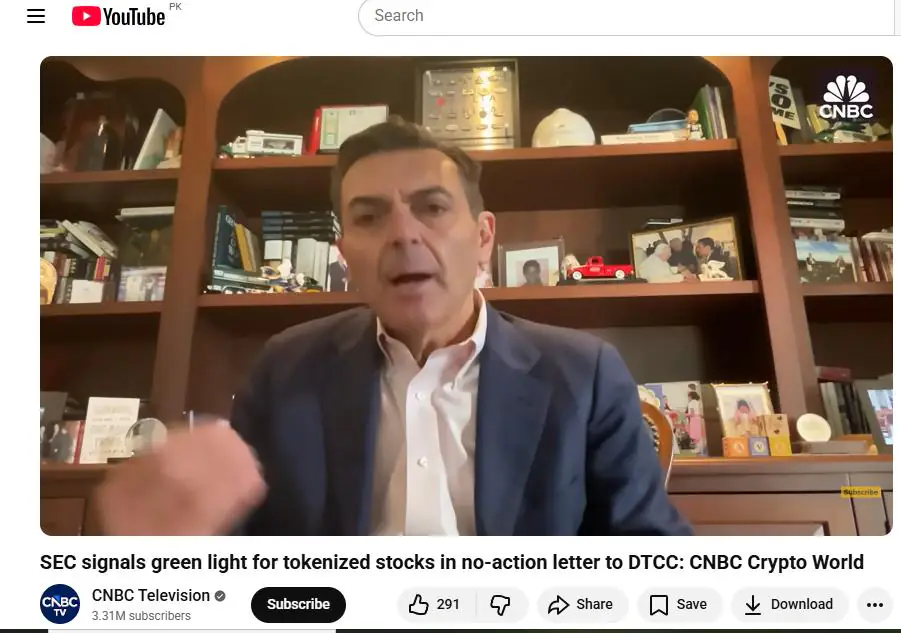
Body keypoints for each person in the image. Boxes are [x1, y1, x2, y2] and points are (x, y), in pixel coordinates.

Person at [94, 118, 692, 536]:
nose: (404, 234)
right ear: (345, 254)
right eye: (370, 216)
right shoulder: (287, 368)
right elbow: (241, 549)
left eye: (432, 208)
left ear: (484, 237)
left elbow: (652, 559)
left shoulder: (583, 374)